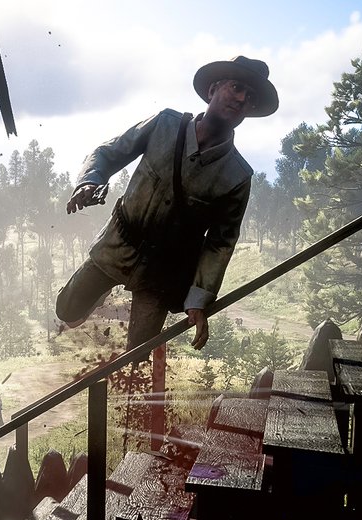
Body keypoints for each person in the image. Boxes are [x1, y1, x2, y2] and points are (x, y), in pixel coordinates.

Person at [55, 56, 279, 354]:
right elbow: (108, 153)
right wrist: (89, 181)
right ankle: (96, 297)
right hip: (118, 244)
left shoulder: (238, 176)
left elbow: (220, 243)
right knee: (67, 309)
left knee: (136, 353)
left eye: (250, 97)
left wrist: (199, 299)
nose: (241, 99)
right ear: (213, 89)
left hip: (163, 272)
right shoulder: (165, 124)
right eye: (236, 87)